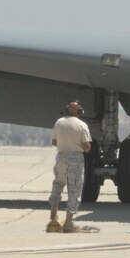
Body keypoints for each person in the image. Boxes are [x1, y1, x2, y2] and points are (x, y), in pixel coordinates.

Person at [48, 100, 92, 233]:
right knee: (74, 188)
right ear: (80, 111)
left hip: (61, 157)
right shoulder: (81, 125)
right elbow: (86, 146)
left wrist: (65, 145)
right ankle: (68, 222)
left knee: (58, 184)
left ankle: (53, 218)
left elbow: (54, 142)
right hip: (76, 158)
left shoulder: (59, 122)